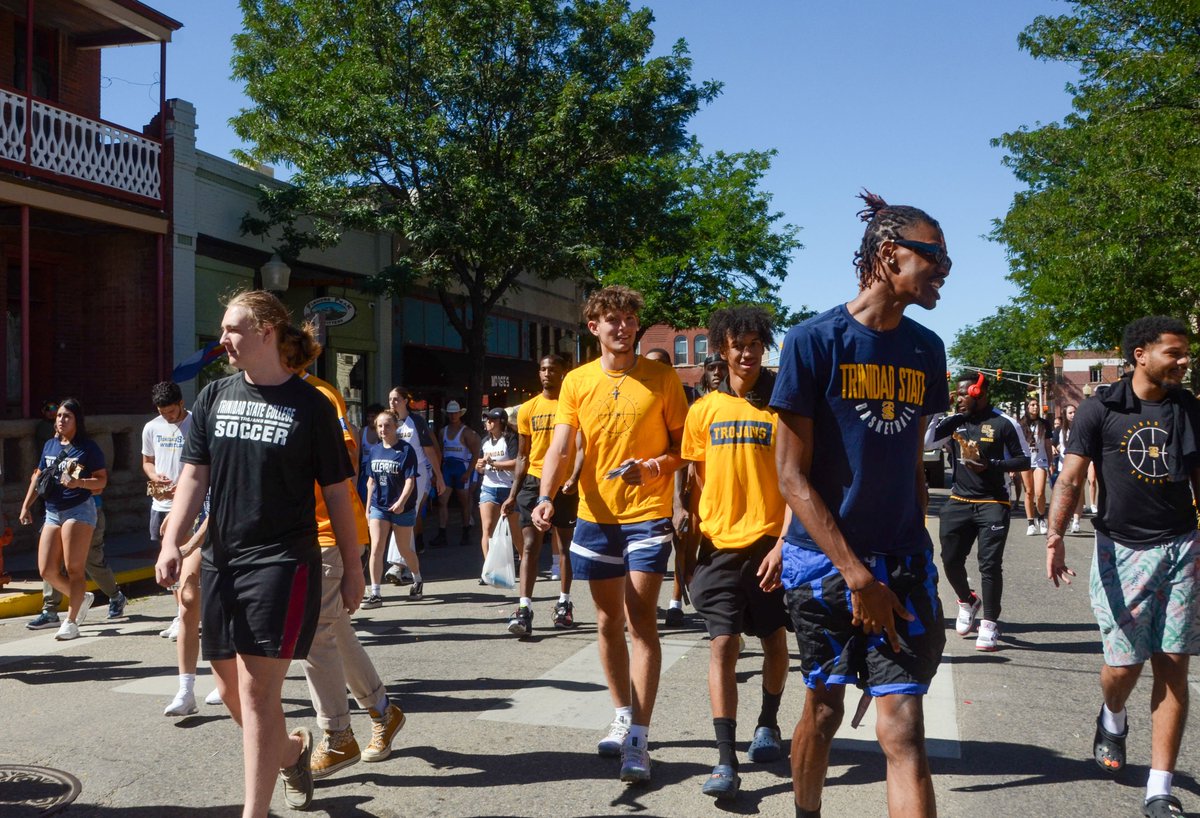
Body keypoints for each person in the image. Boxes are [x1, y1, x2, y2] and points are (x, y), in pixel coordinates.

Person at [771, 191, 950, 817]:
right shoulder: (812, 341)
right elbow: (792, 477)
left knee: (903, 727)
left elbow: (908, 467)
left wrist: (912, 553)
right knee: (823, 709)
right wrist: (855, 573)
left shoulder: (927, 349)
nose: (946, 268)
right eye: (935, 254)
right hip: (825, 565)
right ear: (889, 253)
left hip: (901, 560)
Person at [155, 289, 361, 817]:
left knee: (256, 694)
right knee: (229, 692)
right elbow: (194, 476)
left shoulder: (312, 405)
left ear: (266, 331)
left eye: (232, 329)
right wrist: (171, 539)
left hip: (283, 562)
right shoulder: (215, 396)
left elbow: (338, 490)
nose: (223, 340)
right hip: (224, 558)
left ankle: (255, 811)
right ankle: (290, 752)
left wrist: (356, 566)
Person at [533, 285, 688, 784]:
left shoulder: (663, 378)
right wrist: (545, 494)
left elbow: (684, 447)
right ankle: (622, 712)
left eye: (629, 319)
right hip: (596, 518)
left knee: (640, 618)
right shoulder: (577, 382)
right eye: (612, 319)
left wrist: (655, 468)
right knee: (606, 621)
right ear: (594, 327)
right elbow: (560, 446)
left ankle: (639, 739)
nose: (622, 327)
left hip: (646, 512)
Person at [1047, 316, 1199, 818]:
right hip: (1122, 550)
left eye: (1186, 353)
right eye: (1174, 353)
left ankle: (1159, 788)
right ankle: (1112, 715)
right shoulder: (1101, 408)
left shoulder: (1188, 408)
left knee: (1173, 662)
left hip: (1181, 545)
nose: (1184, 361)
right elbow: (1070, 477)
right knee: (1123, 665)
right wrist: (1055, 537)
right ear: (1140, 354)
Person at [681, 306, 790, 801]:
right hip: (718, 546)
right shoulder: (702, 410)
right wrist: (690, 522)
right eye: (737, 346)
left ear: (763, 349)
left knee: (771, 639)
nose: (746, 354)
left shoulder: (782, 407)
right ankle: (725, 758)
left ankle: (768, 722)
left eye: (754, 346)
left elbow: (796, 481)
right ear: (722, 350)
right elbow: (697, 476)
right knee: (722, 644)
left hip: (769, 544)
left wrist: (786, 543)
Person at [294, 370, 407, 781]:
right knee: (335, 629)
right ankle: (383, 711)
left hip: (324, 531)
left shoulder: (320, 395)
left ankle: (338, 734)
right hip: (292, 536)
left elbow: (345, 465)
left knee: (313, 634)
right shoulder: (255, 390)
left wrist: (350, 553)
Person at [925, 374, 1030, 652]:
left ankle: (990, 624)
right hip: (959, 499)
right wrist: (938, 407)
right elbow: (926, 443)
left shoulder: (1004, 423)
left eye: (962, 395)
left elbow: (1024, 460)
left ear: (978, 392)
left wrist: (991, 464)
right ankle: (967, 600)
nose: (958, 399)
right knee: (949, 559)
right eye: (956, 395)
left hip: (993, 502)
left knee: (989, 565)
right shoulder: (956, 421)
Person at [502, 353, 581, 635]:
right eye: (543, 369)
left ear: (563, 373)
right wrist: (513, 493)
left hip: (565, 484)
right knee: (529, 546)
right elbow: (523, 455)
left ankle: (564, 603)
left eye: (553, 369)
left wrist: (574, 476)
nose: (548, 374)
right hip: (534, 482)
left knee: (564, 546)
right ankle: (524, 608)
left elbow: (582, 446)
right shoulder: (528, 409)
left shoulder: (571, 405)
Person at [19, 397, 108, 642]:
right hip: (52, 510)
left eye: (66, 416)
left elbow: (101, 481)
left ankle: (70, 622)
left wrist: (79, 482)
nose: (61, 420)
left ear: (77, 420)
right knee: (46, 569)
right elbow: (38, 477)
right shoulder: (49, 445)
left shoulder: (87, 448)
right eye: (58, 415)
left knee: (74, 567)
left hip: (79, 509)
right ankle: (81, 598)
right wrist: (26, 505)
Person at [642, 346, 690, 629]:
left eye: (659, 365)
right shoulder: (641, 397)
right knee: (648, 554)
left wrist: (679, 502)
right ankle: (647, 603)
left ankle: (675, 603)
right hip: (646, 490)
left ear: (670, 367)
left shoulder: (688, 398)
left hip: (678, 483)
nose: (652, 370)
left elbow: (683, 455)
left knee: (681, 546)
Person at [26, 498, 126, 630]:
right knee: (52, 565)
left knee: (89, 561)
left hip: (85, 512)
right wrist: (26, 505)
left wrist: (77, 484)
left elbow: (99, 484)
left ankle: (115, 596)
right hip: (56, 511)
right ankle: (50, 611)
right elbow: (38, 478)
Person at [143, 382, 191, 644]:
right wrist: (155, 477)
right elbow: (147, 461)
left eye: (171, 412)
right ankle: (180, 613)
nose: (168, 417)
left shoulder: (196, 424)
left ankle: (187, 615)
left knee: (183, 562)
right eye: (163, 413)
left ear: (181, 404)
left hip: (187, 505)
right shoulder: (152, 427)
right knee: (169, 565)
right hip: (160, 504)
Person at [384, 387, 444, 580]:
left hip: (417, 473)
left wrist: (439, 476)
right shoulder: (389, 422)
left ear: (405, 401)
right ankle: (408, 567)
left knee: (404, 514)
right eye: (391, 399)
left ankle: (396, 564)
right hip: (395, 475)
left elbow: (429, 450)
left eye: (396, 399)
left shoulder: (416, 421)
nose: (393, 403)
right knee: (403, 519)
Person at [364, 410, 422, 604]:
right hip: (379, 507)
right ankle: (375, 592)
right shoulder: (374, 450)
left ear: (396, 427)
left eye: (387, 425)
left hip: (402, 507)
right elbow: (371, 481)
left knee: (404, 549)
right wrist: (367, 508)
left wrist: (401, 502)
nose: (383, 429)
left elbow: (410, 481)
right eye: (380, 425)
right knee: (376, 549)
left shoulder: (406, 450)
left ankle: (417, 579)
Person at [477, 408, 519, 574]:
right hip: (489, 487)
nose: (488, 423)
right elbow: (480, 466)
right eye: (487, 420)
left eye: (492, 420)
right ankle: (489, 569)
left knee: (516, 531)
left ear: (501, 422)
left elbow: (517, 462)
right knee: (487, 528)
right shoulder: (484, 441)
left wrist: (493, 464)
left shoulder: (510, 439)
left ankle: (524, 562)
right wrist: (479, 466)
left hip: (509, 488)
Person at [433, 400, 480, 548]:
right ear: (447, 414)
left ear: (460, 414)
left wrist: (468, 472)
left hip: (461, 469)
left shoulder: (467, 432)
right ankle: (442, 533)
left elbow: (476, 454)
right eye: (451, 413)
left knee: (464, 503)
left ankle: (466, 532)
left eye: (455, 413)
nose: (453, 415)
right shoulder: (443, 431)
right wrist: (438, 473)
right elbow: (439, 452)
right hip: (448, 468)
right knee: (442, 502)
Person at [1019, 397, 1053, 536]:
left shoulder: (1044, 424)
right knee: (1029, 492)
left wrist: (1051, 463)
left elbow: (1048, 445)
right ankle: (1031, 523)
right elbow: (1017, 445)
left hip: (1040, 460)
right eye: (1032, 405)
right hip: (1026, 461)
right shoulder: (1020, 425)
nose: (1035, 407)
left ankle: (1041, 517)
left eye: (1036, 405)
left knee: (1039, 493)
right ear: (1027, 407)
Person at [356, 402, 385, 504]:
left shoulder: (383, 432)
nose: (370, 419)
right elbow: (358, 455)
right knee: (363, 499)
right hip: (365, 471)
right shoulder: (362, 431)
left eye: (373, 416)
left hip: (379, 469)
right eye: (368, 416)